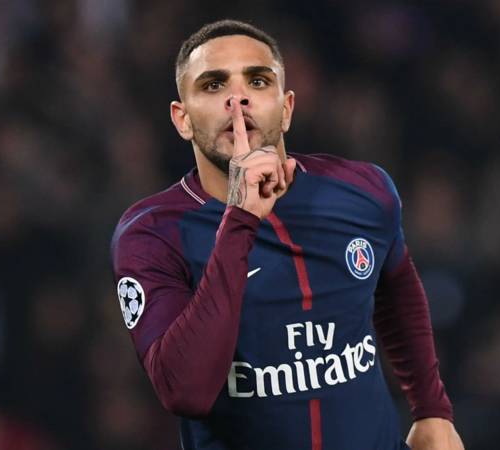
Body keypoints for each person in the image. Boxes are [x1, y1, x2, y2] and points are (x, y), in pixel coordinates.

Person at [110, 19, 464, 450]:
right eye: (214, 85)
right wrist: (240, 218)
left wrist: (431, 408)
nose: (237, 99)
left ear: (287, 108)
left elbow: (397, 284)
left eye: (257, 81)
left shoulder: (363, 191)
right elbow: (185, 391)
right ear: (182, 119)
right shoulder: (152, 233)